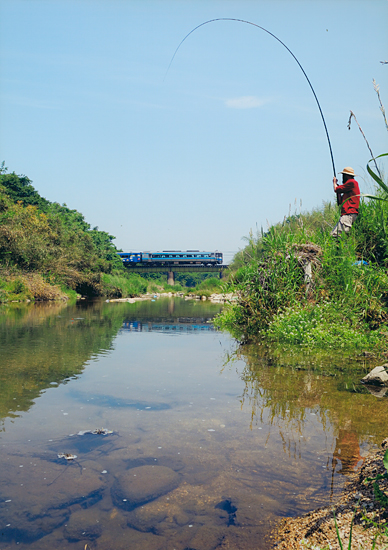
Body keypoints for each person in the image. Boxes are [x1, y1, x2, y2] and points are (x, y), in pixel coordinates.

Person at [331, 167, 360, 238]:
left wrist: (334, 182)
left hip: (348, 214)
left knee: (336, 235)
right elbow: (340, 201)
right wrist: (338, 192)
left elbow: (336, 189)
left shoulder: (351, 182)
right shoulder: (349, 186)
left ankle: (339, 248)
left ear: (346, 175)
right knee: (338, 235)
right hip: (348, 214)